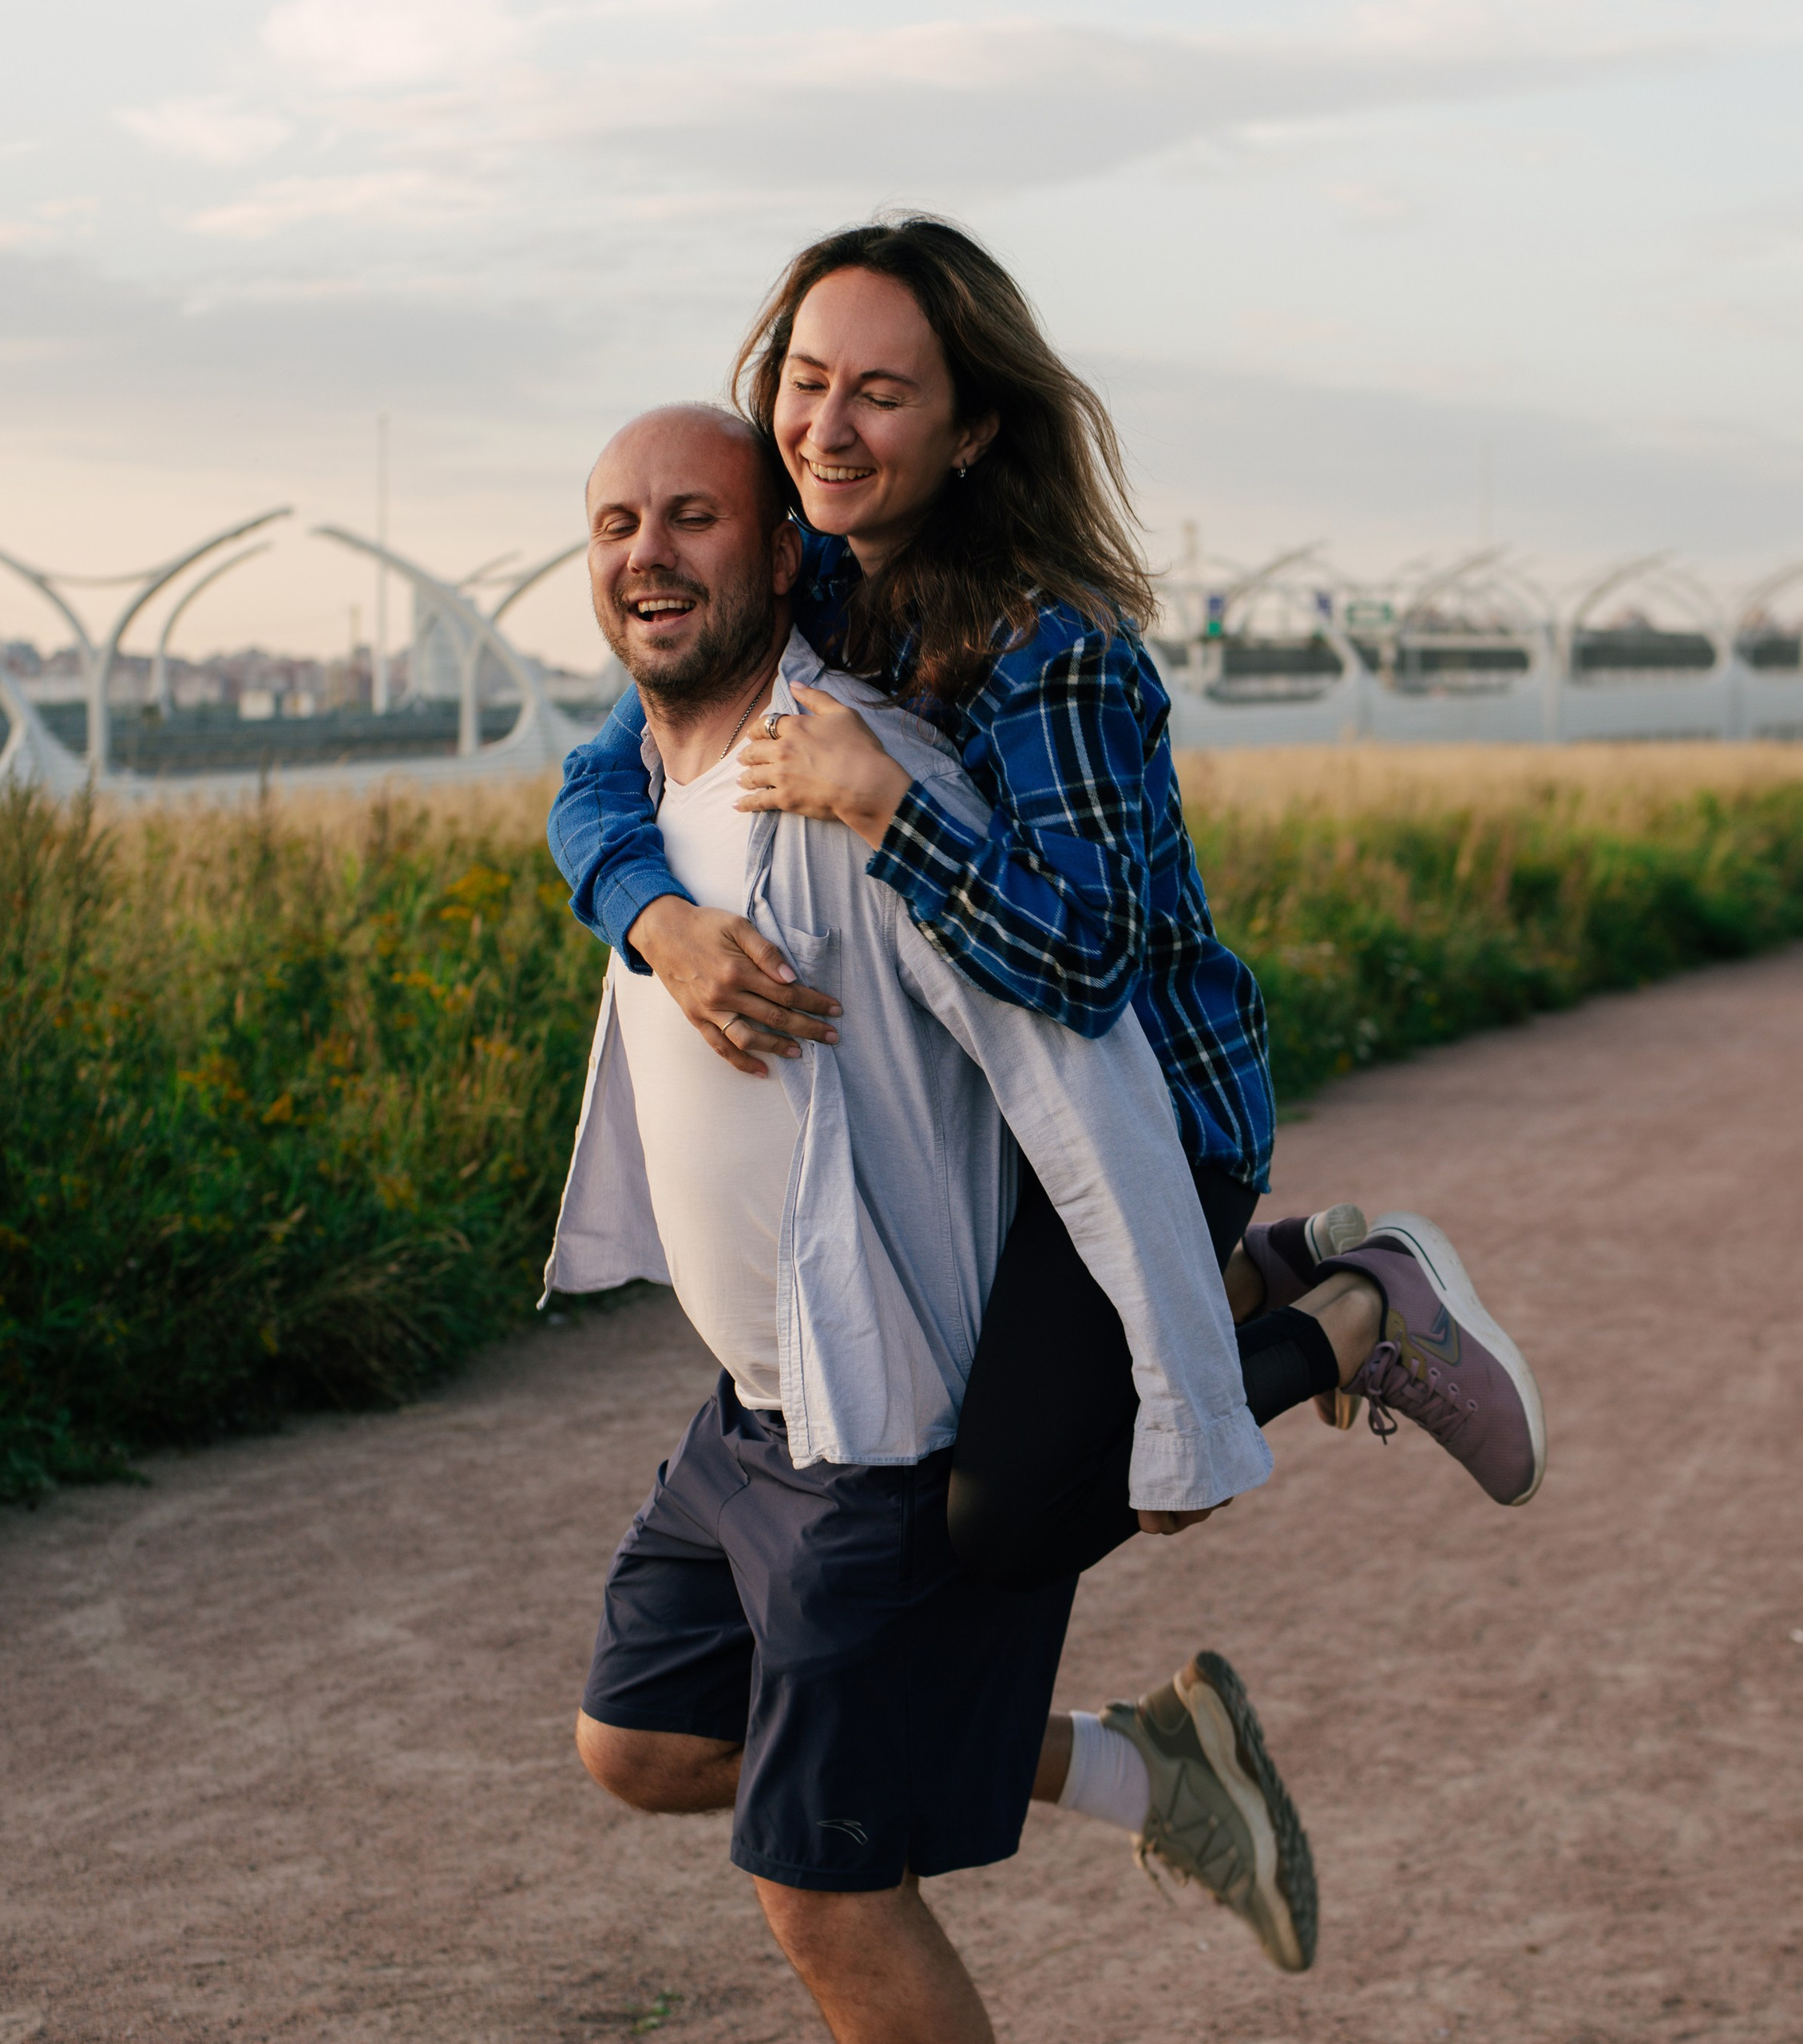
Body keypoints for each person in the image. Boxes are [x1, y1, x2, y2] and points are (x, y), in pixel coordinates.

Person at [549, 218, 1545, 1599]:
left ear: (971, 432)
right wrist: (655, 920)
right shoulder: (807, 575)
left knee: (1031, 1506)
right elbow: (601, 774)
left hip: (1156, 1110)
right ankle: (1258, 1276)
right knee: (979, 1435)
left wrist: (882, 805)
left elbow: (1086, 965)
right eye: (808, 378)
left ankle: (1371, 1305)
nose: (826, 427)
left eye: (882, 396)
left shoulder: (1046, 649)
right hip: (989, 1129)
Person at [546, 406, 1319, 2033]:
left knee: (822, 1889)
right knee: (645, 1740)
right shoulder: (642, 772)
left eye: (692, 516)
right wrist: (653, 919)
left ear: (781, 550)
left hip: (876, 1431)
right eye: (616, 521)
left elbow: (1081, 1089)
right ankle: (1139, 1764)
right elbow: (585, 803)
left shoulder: (855, 779)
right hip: (749, 1421)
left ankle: (1336, 1309)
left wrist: (1176, 1402)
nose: (645, 553)